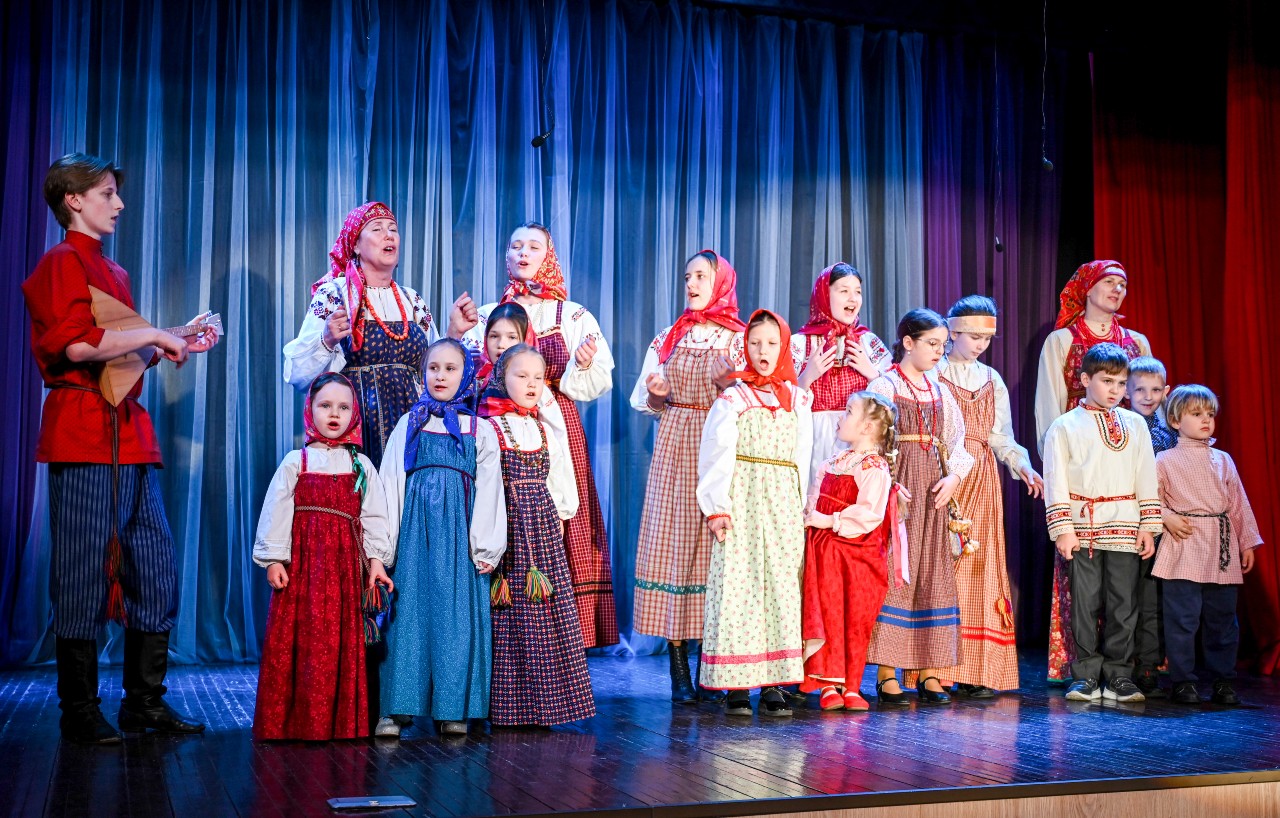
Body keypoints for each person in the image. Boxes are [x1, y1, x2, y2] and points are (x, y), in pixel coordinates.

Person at [22, 153, 218, 744]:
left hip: (129, 436)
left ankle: (144, 702)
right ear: (73, 200)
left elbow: (118, 360)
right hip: (83, 433)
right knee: (83, 570)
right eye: (107, 193)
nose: (119, 203)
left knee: (153, 569)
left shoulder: (116, 272)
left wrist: (172, 339)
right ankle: (79, 710)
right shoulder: (61, 262)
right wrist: (154, 333)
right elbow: (78, 349)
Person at [466, 222, 617, 648]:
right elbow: (468, 371)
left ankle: (558, 635)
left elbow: (599, 379)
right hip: (496, 424)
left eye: (534, 246)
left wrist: (581, 366)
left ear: (548, 256)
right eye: (515, 245)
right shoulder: (489, 313)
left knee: (557, 522)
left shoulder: (571, 315)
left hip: (553, 423)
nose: (523, 252)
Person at [630, 250, 745, 703]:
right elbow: (644, 399)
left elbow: (755, 398)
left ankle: (711, 664)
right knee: (675, 549)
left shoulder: (738, 338)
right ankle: (678, 666)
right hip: (677, 445)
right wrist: (658, 398)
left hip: (720, 445)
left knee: (717, 551)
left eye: (701, 276)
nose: (692, 284)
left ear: (721, 283)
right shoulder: (670, 336)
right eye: (687, 276)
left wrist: (728, 386)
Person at [252, 373, 394, 740]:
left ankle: (340, 723)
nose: (334, 414)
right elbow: (277, 511)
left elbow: (375, 517)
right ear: (310, 409)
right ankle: (294, 723)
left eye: (344, 407)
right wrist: (274, 559)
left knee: (340, 642)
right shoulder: (296, 462)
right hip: (304, 569)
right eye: (325, 405)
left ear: (354, 413)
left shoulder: (361, 464)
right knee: (302, 641)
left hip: (345, 570)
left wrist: (376, 561)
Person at [283, 201, 478, 467]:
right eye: (377, 229)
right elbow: (298, 376)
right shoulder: (335, 294)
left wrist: (454, 332)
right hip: (359, 427)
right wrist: (327, 340)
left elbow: (433, 370)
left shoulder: (412, 300)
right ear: (355, 244)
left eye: (393, 229)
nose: (389, 235)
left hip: (411, 425)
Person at [376, 339, 506, 737]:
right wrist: (383, 549)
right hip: (415, 536)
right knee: (408, 616)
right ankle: (397, 708)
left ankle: (453, 707)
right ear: (422, 374)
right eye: (433, 368)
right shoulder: (409, 423)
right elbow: (390, 485)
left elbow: (490, 488)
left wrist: (485, 545)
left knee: (455, 618)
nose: (441, 376)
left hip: (458, 536)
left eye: (450, 369)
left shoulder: (479, 429)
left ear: (465, 375)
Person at [1034, 259, 1153, 684]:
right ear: (1086, 288)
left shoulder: (1136, 342)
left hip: (1124, 477)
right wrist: (1056, 475)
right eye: (1109, 282)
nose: (1117, 289)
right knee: (1082, 592)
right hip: (1078, 470)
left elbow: (1146, 403)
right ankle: (1082, 669)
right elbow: (1048, 402)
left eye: (1123, 283)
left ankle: (1125, 670)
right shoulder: (1062, 340)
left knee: (1124, 595)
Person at [697, 310, 813, 717]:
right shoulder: (734, 398)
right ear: (744, 347)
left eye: (771, 343)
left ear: (784, 348)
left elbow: (804, 456)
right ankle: (737, 684)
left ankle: (775, 681)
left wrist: (802, 506)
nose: (763, 351)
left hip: (782, 501)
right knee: (739, 586)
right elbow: (716, 453)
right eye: (755, 343)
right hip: (743, 496)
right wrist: (716, 508)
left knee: (782, 587)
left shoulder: (798, 400)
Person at [479, 345, 595, 726]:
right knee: (510, 614)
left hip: (542, 529)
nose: (531, 384)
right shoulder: (490, 427)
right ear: (502, 378)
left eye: (537, 377)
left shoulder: (544, 427)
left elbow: (559, 476)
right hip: (508, 526)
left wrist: (560, 516)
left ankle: (546, 704)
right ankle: (507, 706)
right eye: (521, 375)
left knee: (545, 611)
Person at [935, 296, 1043, 697]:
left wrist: (1023, 466)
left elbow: (1001, 437)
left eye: (986, 338)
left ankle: (975, 669)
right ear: (953, 332)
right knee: (943, 565)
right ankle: (936, 668)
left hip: (980, 478)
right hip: (943, 472)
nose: (981, 344)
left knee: (978, 566)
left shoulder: (990, 378)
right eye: (974, 336)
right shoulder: (935, 371)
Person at [866, 309, 974, 706]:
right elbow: (869, 439)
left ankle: (929, 670)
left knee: (932, 572)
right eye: (931, 343)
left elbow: (958, 443)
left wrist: (954, 478)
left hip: (932, 492)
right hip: (899, 489)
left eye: (942, 345)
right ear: (908, 343)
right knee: (898, 572)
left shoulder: (940, 391)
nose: (938, 351)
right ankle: (886, 673)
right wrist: (886, 484)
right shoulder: (884, 384)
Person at [1042, 344, 1161, 703]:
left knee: (1124, 604)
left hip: (1126, 524)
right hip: (1084, 527)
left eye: (1121, 383)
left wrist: (1148, 524)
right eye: (1107, 381)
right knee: (1084, 603)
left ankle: (1119, 675)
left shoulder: (1135, 424)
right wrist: (1063, 528)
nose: (1115, 390)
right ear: (1084, 379)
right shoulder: (1064, 426)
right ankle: (1086, 676)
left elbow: (1146, 474)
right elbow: (1056, 479)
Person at [1154, 385, 1263, 706]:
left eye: (1210, 414)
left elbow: (1238, 504)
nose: (1206, 420)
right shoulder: (1164, 459)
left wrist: (1246, 543)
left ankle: (1222, 680)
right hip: (1183, 544)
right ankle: (1183, 681)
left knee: (1222, 619)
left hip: (1219, 546)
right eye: (1196, 414)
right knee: (1182, 619)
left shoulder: (1223, 460)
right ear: (1176, 420)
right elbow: (1150, 498)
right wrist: (1167, 517)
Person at [800, 391, 907, 712]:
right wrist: (810, 516)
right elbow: (814, 500)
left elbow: (869, 514)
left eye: (848, 412)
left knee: (856, 619)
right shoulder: (831, 463)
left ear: (867, 427)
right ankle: (827, 683)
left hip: (858, 556)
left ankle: (851, 685)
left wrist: (828, 520)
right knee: (828, 613)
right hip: (826, 553)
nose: (840, 417)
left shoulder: (874, 467)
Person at [792, 263, 892, 489]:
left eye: (858, 292)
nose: (853, 298)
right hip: (813, 439)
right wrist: (807, 377)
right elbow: (782, 401)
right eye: (844, 291)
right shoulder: (801, 343)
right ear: (824, 295)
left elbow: (892, 400)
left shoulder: (868, 343)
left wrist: (872, 374)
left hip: (860, 441)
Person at [1125, 356, 1176, 698]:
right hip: (1129, 521)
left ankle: (1148, 666)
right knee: (1124, 600)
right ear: (1126, 391)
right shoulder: (1123, 427)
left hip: (1160, 528)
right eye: (1140, 389)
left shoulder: (1169, 431)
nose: (1148, 396)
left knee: (1152, 599)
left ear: (1165, 391)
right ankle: (1121, 666)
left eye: (1155, 390)